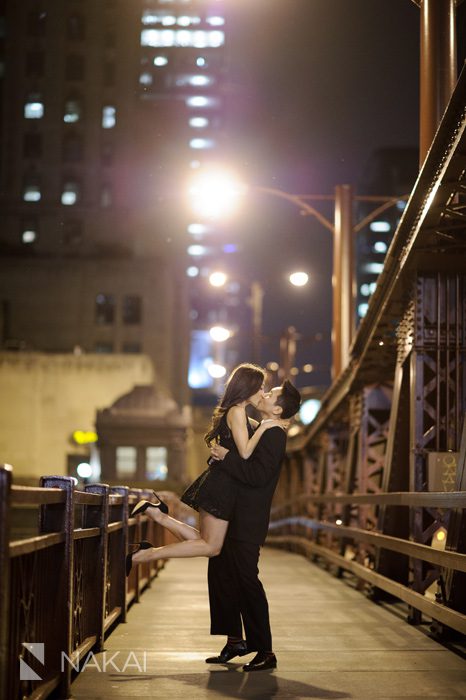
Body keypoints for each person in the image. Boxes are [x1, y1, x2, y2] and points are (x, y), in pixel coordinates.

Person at [125, 363, 285, 576]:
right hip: (222, 486)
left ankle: (158, 516)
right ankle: (144, 555)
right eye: (261, 387)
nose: (263, 393)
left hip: (224, 485)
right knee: (212, 547)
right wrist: (266, 426)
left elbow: (260, 438)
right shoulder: (237, 412)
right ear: (248, 386)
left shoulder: (244, 417)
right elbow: (246, 453)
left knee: (208, 542)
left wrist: (270, 424)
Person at [205, 379, 301, 672]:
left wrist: (227, 457)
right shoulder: (261, 428)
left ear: (278, 408)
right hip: (234, 515)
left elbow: (257, 475)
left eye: (271, 394)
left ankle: (265, 650)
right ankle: (235, 640)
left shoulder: (274, 434)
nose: (265, 393)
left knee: (248, 580)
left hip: (248, 519)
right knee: (221, 573)